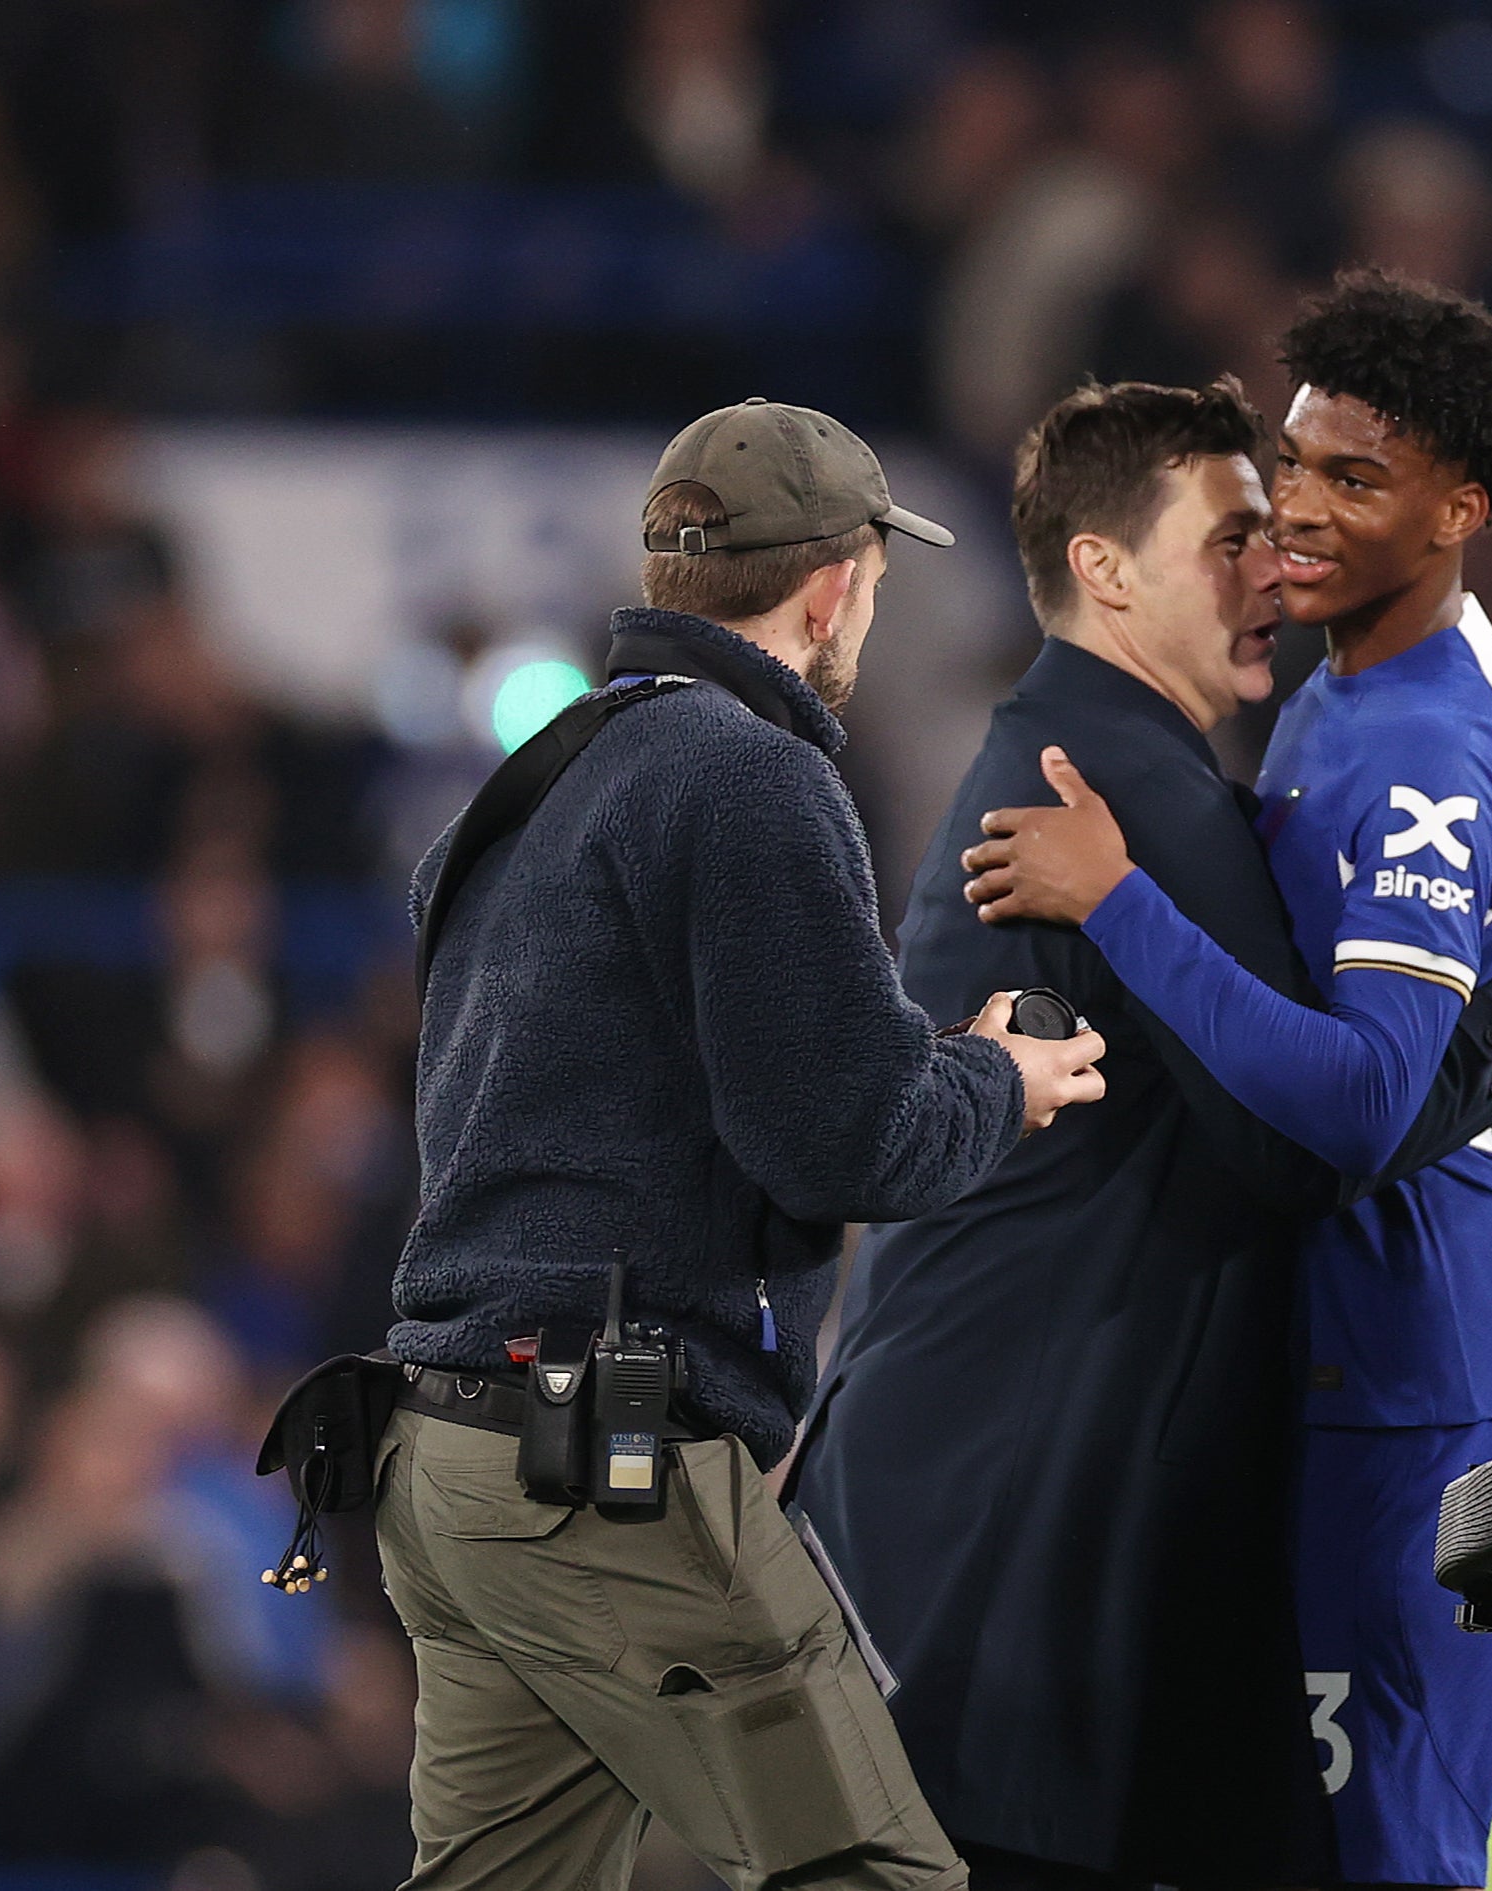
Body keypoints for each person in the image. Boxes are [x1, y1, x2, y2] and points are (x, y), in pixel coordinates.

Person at [791, 376, 1492, 1891]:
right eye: (1230, 540)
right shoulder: (1135, 798)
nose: (1274, 568)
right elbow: (1316, 1147)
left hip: (952, 1515)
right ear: (1105, 569)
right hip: (1014, 1557)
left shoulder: (1071, 758)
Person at [375, 398, 1108, 1891]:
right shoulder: (753, 773)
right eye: (875, 582)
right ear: (833, 585)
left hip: (449, 1454)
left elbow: (652, 1096)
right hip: (602, 1466)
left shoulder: (528, 787)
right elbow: (842, 1144)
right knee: (878, 1876)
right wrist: (997, 1081)